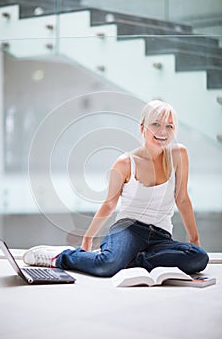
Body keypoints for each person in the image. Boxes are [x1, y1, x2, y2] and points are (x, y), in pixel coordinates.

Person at [23, 100, 209, 276]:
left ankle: (130, 261)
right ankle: (61, 257)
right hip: (128, 230)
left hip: (161, 237)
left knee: (199, 258)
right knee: (106, 265)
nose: (163, 131)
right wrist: (88, 237)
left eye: (169, 126)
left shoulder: (179, 154)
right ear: (142, 127)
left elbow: (182, 199)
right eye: (156, 124)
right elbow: (109, 204)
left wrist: (194, 240)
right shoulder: (125, 163)